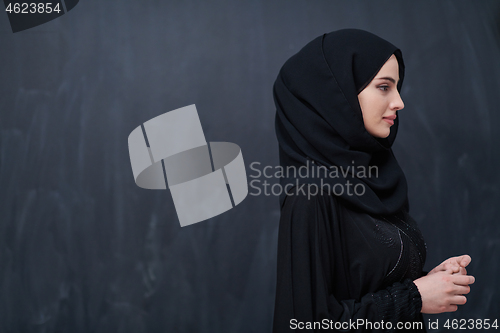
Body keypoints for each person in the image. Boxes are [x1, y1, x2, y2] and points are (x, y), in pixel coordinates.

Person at [272, 29, 475, 332]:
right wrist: (415, 297)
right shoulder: (311, 195)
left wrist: (428, 281)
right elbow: (305, 323)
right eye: (384, 87)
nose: (399, 102)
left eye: (397, 87)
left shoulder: (374, 182)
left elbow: (364, 283)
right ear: (336, 96)